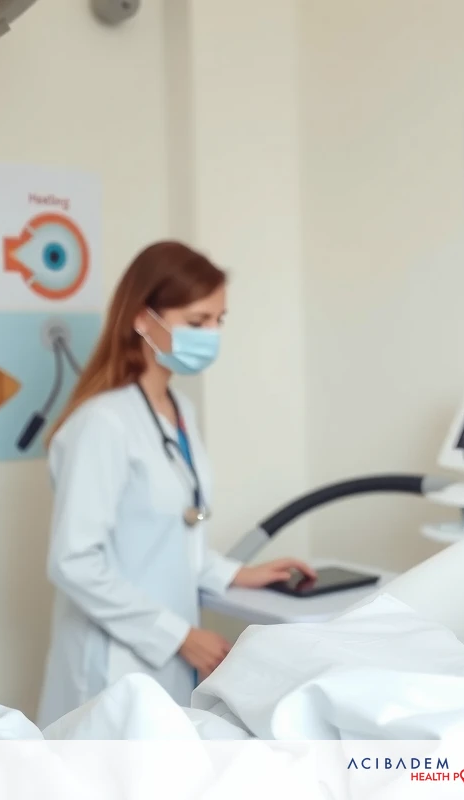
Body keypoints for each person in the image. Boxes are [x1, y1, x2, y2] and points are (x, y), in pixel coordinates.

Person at [34, 240, 316, 727]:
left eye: (218, 321)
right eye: (197, 321)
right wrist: (180, 636)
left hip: (165, 653)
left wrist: (235, 574)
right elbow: (76, 562)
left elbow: (169, 536)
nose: (211, 334)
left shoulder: (179, 412)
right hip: (111, 661)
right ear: (144, 320)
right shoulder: (103, 423)